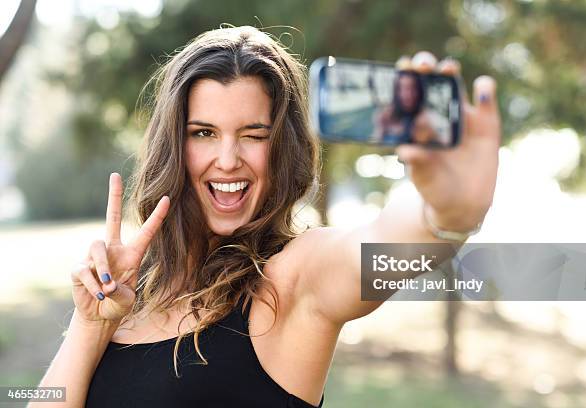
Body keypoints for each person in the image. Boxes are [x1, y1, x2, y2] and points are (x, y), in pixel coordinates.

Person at [33, 25, 500, 407]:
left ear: (281, 146)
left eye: (254, 135)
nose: (229, 158)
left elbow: (378, 249)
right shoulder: (131, 291)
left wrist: (447, 211)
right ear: (174, 144)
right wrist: (91, 324)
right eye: (204, 133)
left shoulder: (291, 277)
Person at [371, 70, 424, 145]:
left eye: (413, 88)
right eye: (404, 88)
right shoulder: (386, 115)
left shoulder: (425, 117)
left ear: (419, 91)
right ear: (397, 91)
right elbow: (375, 140)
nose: (408, 95)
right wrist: (380, 128)